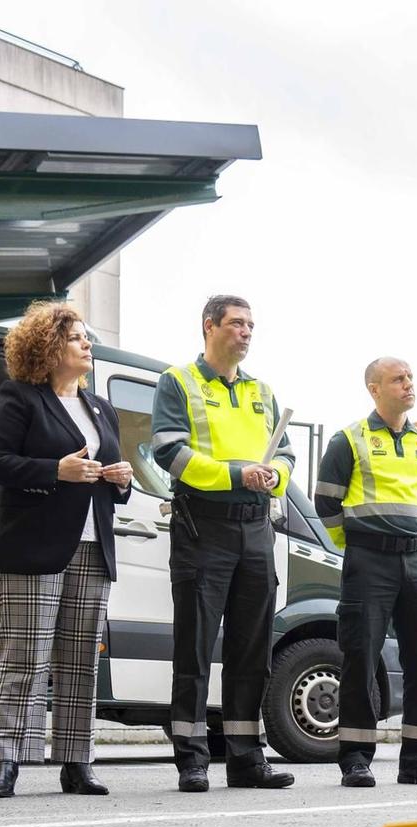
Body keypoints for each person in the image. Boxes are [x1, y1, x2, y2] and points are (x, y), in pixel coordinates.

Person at [0, 302, 134, 799]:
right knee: (25, 657)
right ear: (48, 346)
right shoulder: (19, 396)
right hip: (31, 544)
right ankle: (7, 761)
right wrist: (54, 471)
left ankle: (76, 761)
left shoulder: (100, 408)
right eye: (76, 338)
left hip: (92, 545)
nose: (87, 345)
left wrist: (121, 479)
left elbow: (106, 474)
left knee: (80, 659)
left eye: (87, 338)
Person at [147, 295, 298, 793]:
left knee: (251, 650)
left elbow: (288, 457)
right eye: (237, 323)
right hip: (202, 529)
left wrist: (273, 474)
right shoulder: (178, 383)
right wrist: (240, 473)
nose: (247, 332)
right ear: (209, 326)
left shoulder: (264, 391)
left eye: (252, 325)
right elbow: (170, 452)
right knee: (193, 648)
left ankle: (245, 759)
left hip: (256, 529)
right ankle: (191, 759)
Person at [313, 358, 417, 787]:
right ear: (374, 388)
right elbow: (326, 504)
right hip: (367, 560)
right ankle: (355, 757)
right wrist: (356, 544)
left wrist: (409, 540)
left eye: (410, 377)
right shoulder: (348, 440)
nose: (408, 384)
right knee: (360, 657)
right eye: (398, 379)